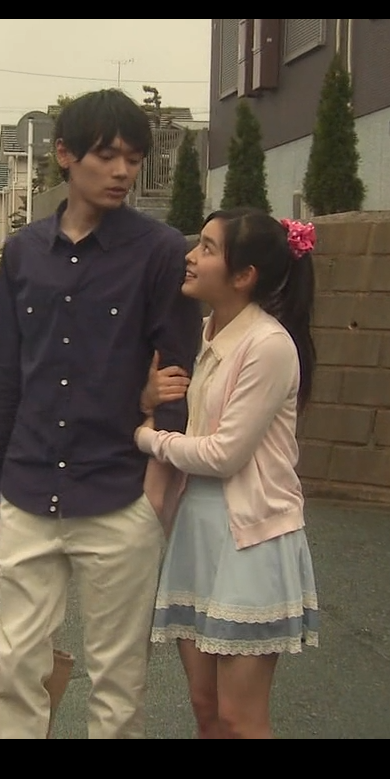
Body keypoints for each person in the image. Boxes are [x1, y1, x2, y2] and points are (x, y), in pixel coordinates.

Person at [0, 89, 202, 739]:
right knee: (16, 667)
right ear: (65, 155)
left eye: (134, 159)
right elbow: (1, 375)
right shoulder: (24, 253)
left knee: (118, 682)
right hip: (27, 488)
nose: (122, 171)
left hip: (120, 492)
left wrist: (156, 490)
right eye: (106, 156)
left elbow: (178, 375)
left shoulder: (160, 252)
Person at [135, 207, 321, 739]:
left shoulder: (268, 345)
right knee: (206, 708)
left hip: (251, 541)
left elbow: (224, 455)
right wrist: (147, 399)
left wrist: (148, 438)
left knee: (240, 719)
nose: (191, 257)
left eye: (208, 248)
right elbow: (177, 411)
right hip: (198, 532)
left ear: (244, 276)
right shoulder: (200, 334)